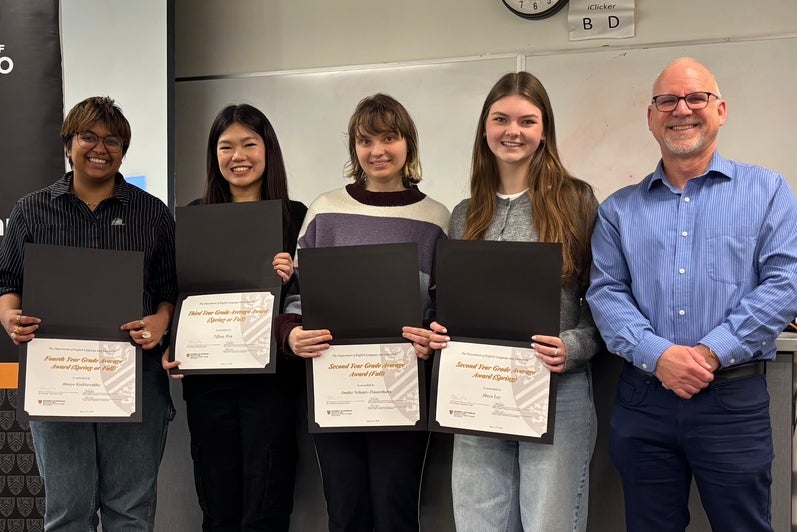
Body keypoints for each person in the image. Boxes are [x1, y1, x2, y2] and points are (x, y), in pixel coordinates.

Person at [587, 57, 797, 531]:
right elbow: (606, 293)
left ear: (720, 109)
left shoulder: (768, 191)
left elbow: (787, 281)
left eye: (696, 97)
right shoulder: (618, 210)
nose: (681, 109)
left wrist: (709, 352)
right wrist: (658, 355)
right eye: (667, 100)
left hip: (732, 399)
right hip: (643, 401)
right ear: (651, 117)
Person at [0, 96, 177, 531]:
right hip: (58, 375)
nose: (101, 148)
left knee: (131, 513)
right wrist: (9, 317)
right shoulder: (30, 209)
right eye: (89, 137)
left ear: (123, 150)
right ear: (68, 143)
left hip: (135, 373)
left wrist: (160, 321)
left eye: (113, 140)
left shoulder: (152, 212)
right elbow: (8, 282)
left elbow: (170, 289)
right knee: (66, 512)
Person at [274, 93, 449, 532]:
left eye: (389, 138)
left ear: (408, 143)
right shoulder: (325, 211)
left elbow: (442, 304)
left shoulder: (437, 218)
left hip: (403, 388)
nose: (378, 151)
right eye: (366, 140)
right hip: (335, 388)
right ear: (354, 149)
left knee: (396, 511)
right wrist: (292, 334)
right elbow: (297, 294)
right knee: (345, 510)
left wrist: (432, 334)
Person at [438, 72, 601, 532]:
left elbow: (605, 301)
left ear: (544, 129)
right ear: (485, 129)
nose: (513, 130)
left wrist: (574, 346)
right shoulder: (465, 214)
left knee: (550, 523)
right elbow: (455, 306)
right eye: (501, 119)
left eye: (527, 120)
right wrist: (443, 333)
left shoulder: (577, 201)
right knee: (478, 524)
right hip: (476, 391)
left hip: (556, 390)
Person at [162, 104, 307, 531]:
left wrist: (294, 275)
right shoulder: (194, 215)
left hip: (272, 382)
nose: (238, 155)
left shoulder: (297, 216)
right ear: (214, 155)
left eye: (249, 144)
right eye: (226, 146)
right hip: (210, 383)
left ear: (268, 150)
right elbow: (178, 290)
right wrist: (173, 342)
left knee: (267, 501)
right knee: (218, 503)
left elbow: (315, 299)